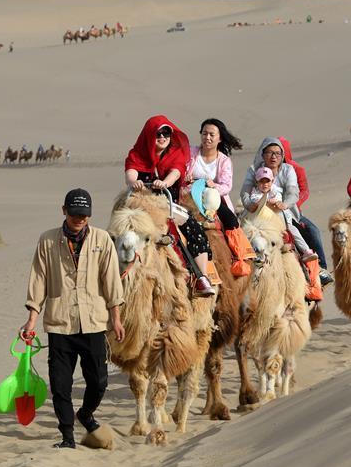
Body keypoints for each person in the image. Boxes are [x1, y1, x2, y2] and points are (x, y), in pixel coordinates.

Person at [21, 188, 124, 449]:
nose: (80, 219)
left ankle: (86, 414)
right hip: (60, 324)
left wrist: (117, 318)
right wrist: (31, 320)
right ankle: (67, 435)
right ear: (64, 211)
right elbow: (39, 280)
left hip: (93, 323)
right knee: (60, 385)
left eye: (85, 215)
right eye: (75, 214)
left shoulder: (102, 240)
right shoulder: (47, 241)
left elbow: (111, 281)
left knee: (99, 381)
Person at [125, 115, 216, 296]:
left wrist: (165, 182)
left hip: (168, 207)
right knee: (119, 234)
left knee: (195, 231)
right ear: (149, 135)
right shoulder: (137, 155)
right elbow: (131, 173)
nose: (163, 137)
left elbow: (176, 172)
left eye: (166, 133)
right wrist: (134, 182)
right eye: (158, 133)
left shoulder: (175, 154)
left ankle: (201, 277)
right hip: (140, 208)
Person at [183, 118, 255, 277]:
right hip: (189, 195)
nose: (207, 137)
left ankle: (240, 256)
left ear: (219, 138)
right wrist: (184, 178)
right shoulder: (190, 152)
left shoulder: (224, 160)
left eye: (211, 134)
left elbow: (226, 186)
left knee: (230, 220)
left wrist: (213, 185)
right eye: (204, 133)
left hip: (213, 199)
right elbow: (180, 171)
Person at [278, 136, 333, 286]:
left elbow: (304, 191)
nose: (275, 155)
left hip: (293, 212)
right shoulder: (264, 169)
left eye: (279, 152)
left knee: (313, 230)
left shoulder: (296, 169)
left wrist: (291, 204)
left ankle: (321, 268)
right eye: (272, 151)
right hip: (269, 211)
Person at [245, 167, 318, 264]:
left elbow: (278, 199)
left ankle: (306, 251)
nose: (265, 184)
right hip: (263, 222)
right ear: (257, 182)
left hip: (280, 220)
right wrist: (265, 201)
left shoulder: (276, 190)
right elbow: (256, 201)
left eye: (267, 181)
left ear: (272, 181)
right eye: (261, 182)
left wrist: (275, 202)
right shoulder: (255, 193)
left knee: (294, 230)